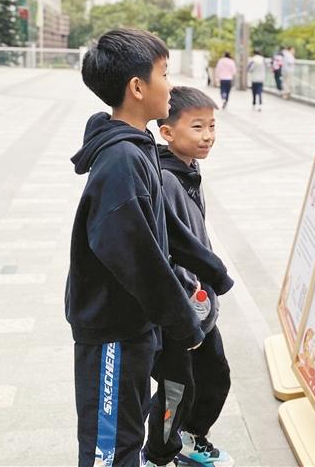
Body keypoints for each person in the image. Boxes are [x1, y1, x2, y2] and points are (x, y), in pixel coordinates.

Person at [67, 28, 234, 466]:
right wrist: (183, 321)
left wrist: (212, 271)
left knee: (128, 428)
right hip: (112, 330)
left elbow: (164, 227)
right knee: (111, 448)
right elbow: (137, 256)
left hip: (136, 326)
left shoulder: (138, 149)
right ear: (137, 88)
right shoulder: (121, 161)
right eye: (164, 73)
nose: (171, 85)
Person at [144, 87, 234, 467]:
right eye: (197, 127)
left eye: (212, 126)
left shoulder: (190, 168)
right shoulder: (165, 179)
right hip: (179, 311)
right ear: (167, 132)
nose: (208, 136)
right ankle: (157, 455)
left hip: (200, 305)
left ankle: (191, 438)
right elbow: (170, 248)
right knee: (176, 388)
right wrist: (190, 295)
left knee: (215, 376)